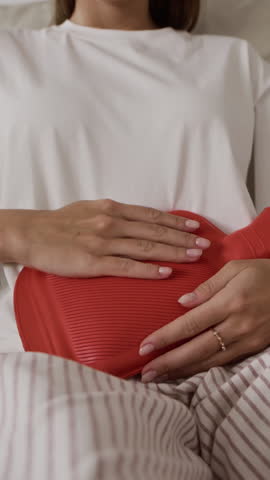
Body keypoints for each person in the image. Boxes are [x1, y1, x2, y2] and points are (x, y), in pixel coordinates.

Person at [0, 0, 270, 478]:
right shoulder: (9, 52)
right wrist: (17, 231)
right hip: (60, 367)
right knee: (74, 451)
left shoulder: (237, 60)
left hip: (247, 357)